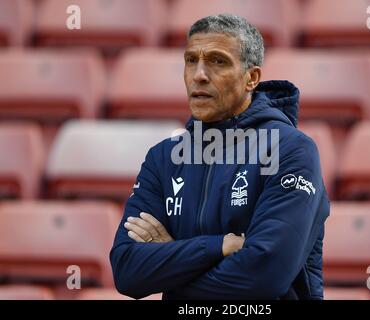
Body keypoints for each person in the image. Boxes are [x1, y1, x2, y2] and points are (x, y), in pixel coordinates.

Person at [110, 13, 330, 300]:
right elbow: (128, 271)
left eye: (218, 61)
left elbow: (264, 276)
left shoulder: (291, 149)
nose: (199, 74)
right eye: (191, 60)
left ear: (251, 78)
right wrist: (218, 247)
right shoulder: (164, 157)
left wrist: (171, 261)